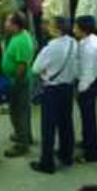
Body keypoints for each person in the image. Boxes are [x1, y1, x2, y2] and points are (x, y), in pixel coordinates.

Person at [31, 15, 78, 174]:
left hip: (52, 89)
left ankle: (47, 162)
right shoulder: (73, 43)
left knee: (48, 127)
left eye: (50, 25)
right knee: (66, 122)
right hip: (68, 87)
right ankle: (67, 154)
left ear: (57, 29)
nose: (47, 27)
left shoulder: (50, 48)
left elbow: (36, 69)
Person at [3, 12, 36, 157]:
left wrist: (15, 83)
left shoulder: (21, 41)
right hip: (17, 80)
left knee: (18, 113)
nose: (5, 24)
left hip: (19, 82)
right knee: (23, 111)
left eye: (8, 22)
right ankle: (25, 135)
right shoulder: (20, 36)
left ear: (16, 26)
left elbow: (21, 66)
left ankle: (21, 144)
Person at [75, 15, 97, 163]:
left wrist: (80, 89)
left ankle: (92, 153)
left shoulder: (88, 47)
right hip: (93, 81)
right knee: (88, 118)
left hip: (87, 85)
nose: (74, 30)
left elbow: (87, 70)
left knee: (88, 119)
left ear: (83, 30)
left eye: (76, 27)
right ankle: (87, 142)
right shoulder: (94, 39)